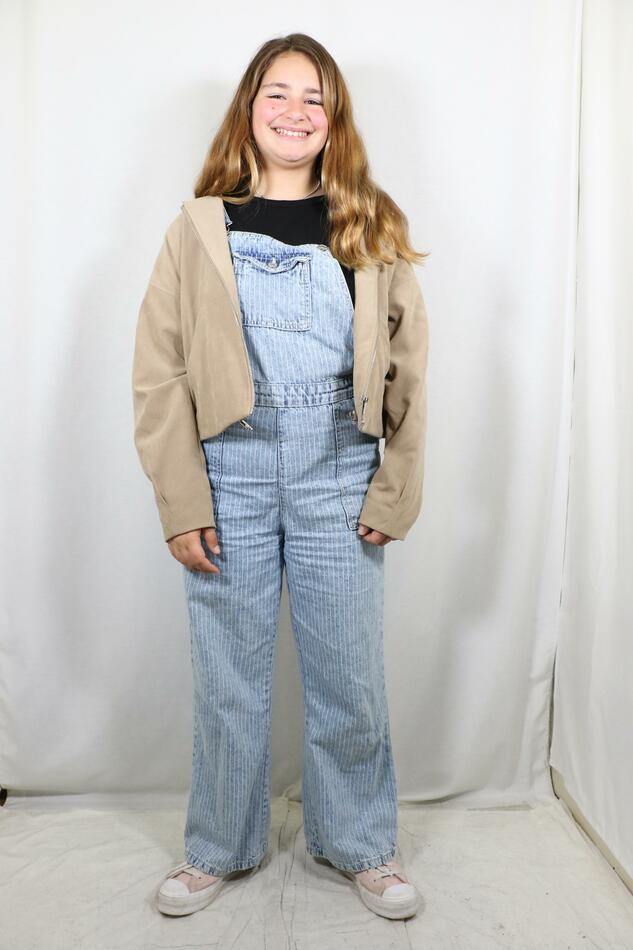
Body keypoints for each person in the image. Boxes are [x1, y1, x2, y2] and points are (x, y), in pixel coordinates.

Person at [132, 33, 430, 921]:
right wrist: (182, 500)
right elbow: (159, 372)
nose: (295, 112)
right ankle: (218, 846)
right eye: (277, 93)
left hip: (338, 466)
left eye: (314, 98)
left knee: (348, 672)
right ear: (248, 108)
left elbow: (408, 368)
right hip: (229, 469)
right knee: (229, 673)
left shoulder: (366, 221)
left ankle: (360, 843)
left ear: (333, 121)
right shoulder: (198, 228)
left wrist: (394, 487)